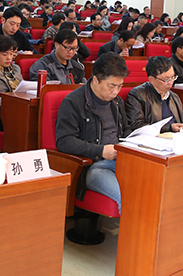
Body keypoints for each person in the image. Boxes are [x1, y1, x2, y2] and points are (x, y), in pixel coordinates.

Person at [55, 52, 130, 211]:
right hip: (94, 166)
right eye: (111, 86)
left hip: (122, 161)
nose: (116, 92)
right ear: (95, 80)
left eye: (120, 86)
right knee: (128, 198)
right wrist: (101, 151)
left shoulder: (116, 102)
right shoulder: (73, 102)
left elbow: (126, 129)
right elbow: (64, 141)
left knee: (153, 185)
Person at [126, 56, 183, 132]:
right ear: (151, 79)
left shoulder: (174, 97)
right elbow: (137, 125)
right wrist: (169, 128)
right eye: (166, 79)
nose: (171, 82)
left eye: (173, 77)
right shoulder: (137, 95)